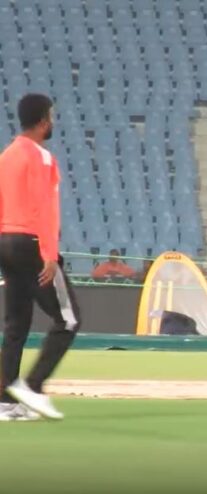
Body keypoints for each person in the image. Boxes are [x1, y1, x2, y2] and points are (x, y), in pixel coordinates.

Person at [0, 93, 81, 422]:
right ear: (43, 120)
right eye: (52, 116)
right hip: (31, 242)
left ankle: (5, 402)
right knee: (68, 319)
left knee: (16, 324)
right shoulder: (43, 158)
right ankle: (33, 386)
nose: (53, 121)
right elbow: (47, 210)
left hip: (4, 241)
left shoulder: (5, 156)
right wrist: (49, 253)